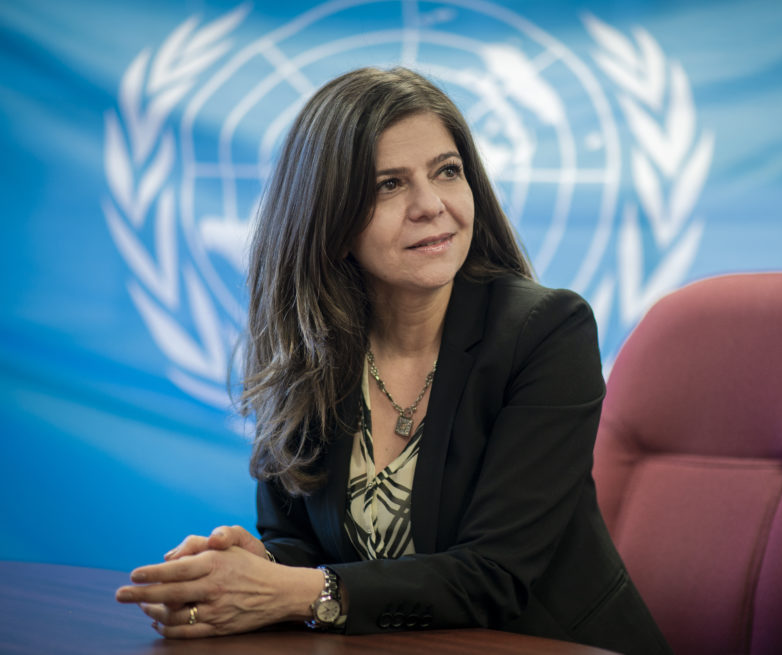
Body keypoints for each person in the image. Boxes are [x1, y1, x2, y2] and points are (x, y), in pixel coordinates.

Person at [115, 67, 671, 655]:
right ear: (327, 214)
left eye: (447, 172)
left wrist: (297, 591)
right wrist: (263, 567)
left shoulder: (546, 331)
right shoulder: (311, 347)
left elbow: (495, 577)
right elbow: (303, 543)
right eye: (388, 185)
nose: (430, 206)